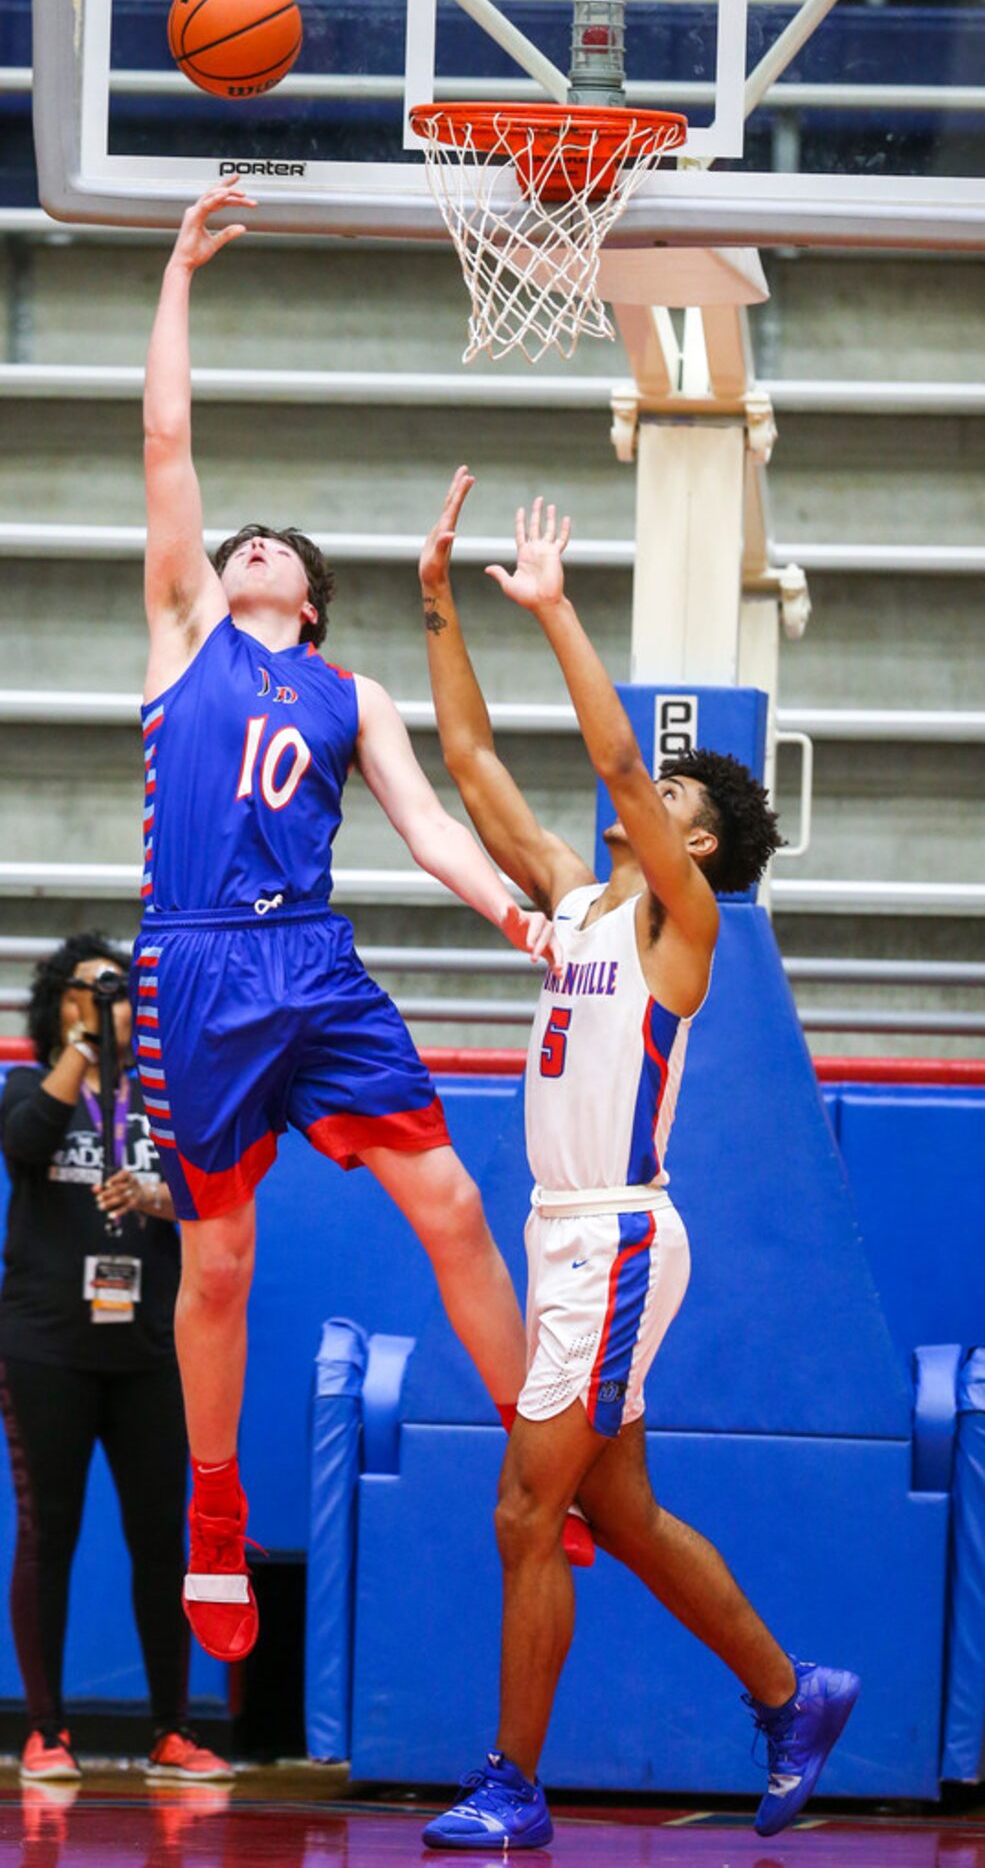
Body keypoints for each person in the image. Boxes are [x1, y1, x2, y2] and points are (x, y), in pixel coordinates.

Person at [139, 179, 564, 1667]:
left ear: (310, 603)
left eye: (274, 548)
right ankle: (212, 1506)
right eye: (236, 540)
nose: (245, 543)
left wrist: (509, 906)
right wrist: (179, 271)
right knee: (222, 1264)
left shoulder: (350, 694)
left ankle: (540, 1443)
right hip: (194, 961)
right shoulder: (183, 631)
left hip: (312, 962)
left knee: (453, 1204)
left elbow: (433, 822)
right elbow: (169, 445)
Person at [417, 471, 860, 1848]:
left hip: (612, 1236)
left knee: (521, 1508)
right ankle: (796, 1693)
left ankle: (514, 1782)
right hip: (564, 1233)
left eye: (673, 797)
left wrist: (557, 612)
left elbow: (614, 762)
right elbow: (477, 767)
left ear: (700, 841)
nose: (639, 795)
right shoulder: (572, 901)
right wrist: (438, 607)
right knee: (628, 1513)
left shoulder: (683, 928)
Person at [0, 935, 230, 1785]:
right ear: (56, 1003)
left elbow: (209, 1192)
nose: (106, 1004)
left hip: (150, 1352)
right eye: (88, 992)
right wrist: (83, 1052)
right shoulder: (30, 1085)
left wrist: (155, 1194)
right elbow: (26, 1145)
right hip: (47, 1348)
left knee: (157, 1542)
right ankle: (46, 1733)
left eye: (118, 992)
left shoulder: (163, 1103)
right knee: (47, 1534)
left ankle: (171, 1733)